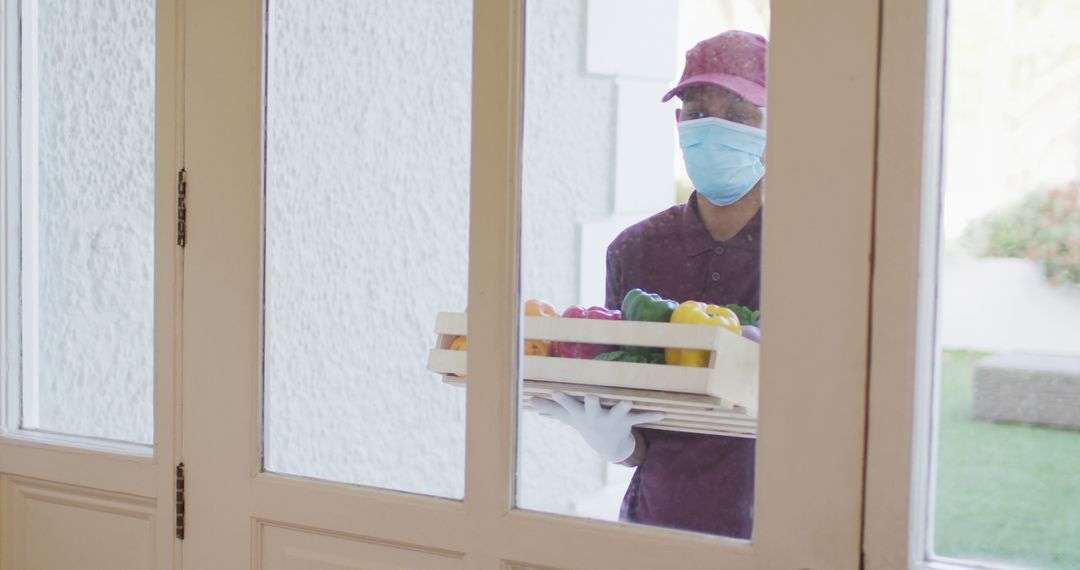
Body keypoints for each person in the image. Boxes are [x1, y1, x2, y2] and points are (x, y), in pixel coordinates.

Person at [529, 30, 766, 539]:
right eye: (696, 111)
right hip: (657, 527)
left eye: (740, 113)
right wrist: (612, 441)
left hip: (777, 535)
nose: (711, 128)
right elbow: (638, 428)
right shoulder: (637, 250)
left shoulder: (815, 252)